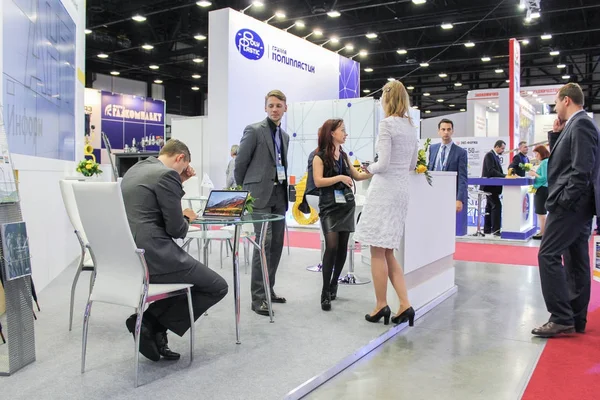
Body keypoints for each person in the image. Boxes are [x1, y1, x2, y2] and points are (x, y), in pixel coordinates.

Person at [121, 139, 229, 361]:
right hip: (155, 255)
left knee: (191, 284)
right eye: (184, 165)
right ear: (180, 158)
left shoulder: (136, 169)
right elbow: (177, 229)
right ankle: (151, 322)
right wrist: (187, 217)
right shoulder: (166, 176)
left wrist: (179, 179)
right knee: (216, 286)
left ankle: (152, 326)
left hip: (128, 256)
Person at [532, 83, 600, 338]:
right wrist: (555, 135)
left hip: (572, 205)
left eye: (556, 103)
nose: (555, 107)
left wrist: (565, 200)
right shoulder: (577, 125)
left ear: (567, 100)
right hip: (579, 206)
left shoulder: (581, 124)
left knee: (547, 255)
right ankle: (574, 318)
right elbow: (565, 160)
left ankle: (560, 316)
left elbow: (582, 168)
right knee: (576, 259)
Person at [354, 80, 418, 326]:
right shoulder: (410, 127)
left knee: (376, 251)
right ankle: (405, 304)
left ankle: (381, 305)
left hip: (384, 191)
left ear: (387, 99)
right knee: (389, 250)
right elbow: (411, 165)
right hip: (401, 191)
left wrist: (368, 166)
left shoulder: (387, 124)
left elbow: (383, 165)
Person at [234, 90, 290, 316]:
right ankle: (257, 298)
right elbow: (240, 163)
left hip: (279, 194)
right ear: (265, 108)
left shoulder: (284, 136)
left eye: (278, 105)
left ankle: (269, 288)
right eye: (271, 105)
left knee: (276, 244)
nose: (275, 109)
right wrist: (245, 190)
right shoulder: (254, 130)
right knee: (263, 244)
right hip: (259, 195)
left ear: (285, 107)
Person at [312, 119, 371, 311]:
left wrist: (375, 170)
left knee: (344, 247)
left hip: (346, 206)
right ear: (332, 133)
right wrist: (339, 177)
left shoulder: (344, 156)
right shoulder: (318, 156)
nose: (346, 134)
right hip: (329, 207)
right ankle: (324, 291)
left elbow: (357, 175)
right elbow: (318, 181)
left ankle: (334, 283)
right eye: (343, 130)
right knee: (331, 246)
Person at [427, 119, 468, 213]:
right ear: (438, 131)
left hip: (450, 193)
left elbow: (462, 177)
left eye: (449, 129)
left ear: (452, 131)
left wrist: (459, 199)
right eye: (443, 129)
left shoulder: (460, 152)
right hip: (433, 192)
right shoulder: (432, 148)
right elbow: (430, 169)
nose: (446, 132)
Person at [481, 140, 506, 236]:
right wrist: (504, 176)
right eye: (502, 148)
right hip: (489, 186)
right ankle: (496, 230)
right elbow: (491, 171)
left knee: (489, 207)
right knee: (496, 206)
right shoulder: (489, 155)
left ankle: (487, 229)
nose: (503, 150)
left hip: (493, 187)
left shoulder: (494, 156)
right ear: (497, 147)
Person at [529, 145, 550, 240]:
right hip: (542, 188)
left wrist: (534, 174)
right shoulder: (544, 162)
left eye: (537, 154)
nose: (536, 156)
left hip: (542, 189)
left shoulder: (545, 162)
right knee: (541, 212)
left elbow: (544, 177)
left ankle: (543, 233)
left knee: (541, 212)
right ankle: (543, 232)